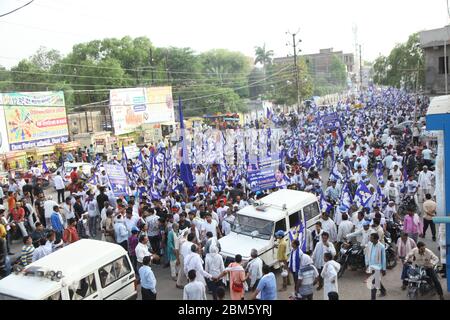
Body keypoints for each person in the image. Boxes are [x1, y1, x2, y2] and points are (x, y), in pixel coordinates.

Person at [365, 233, 387, 300]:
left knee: (374, 283)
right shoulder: (370, 244)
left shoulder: (381, 247)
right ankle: (383, 291)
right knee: (376, 281)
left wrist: (384, 269)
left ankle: (373, 298)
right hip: (371, 265)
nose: (370, 239)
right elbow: (367, 254)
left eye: (371, 238)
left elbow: (383, 258)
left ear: (376, 239)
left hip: (378, 267)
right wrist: (367, 263)